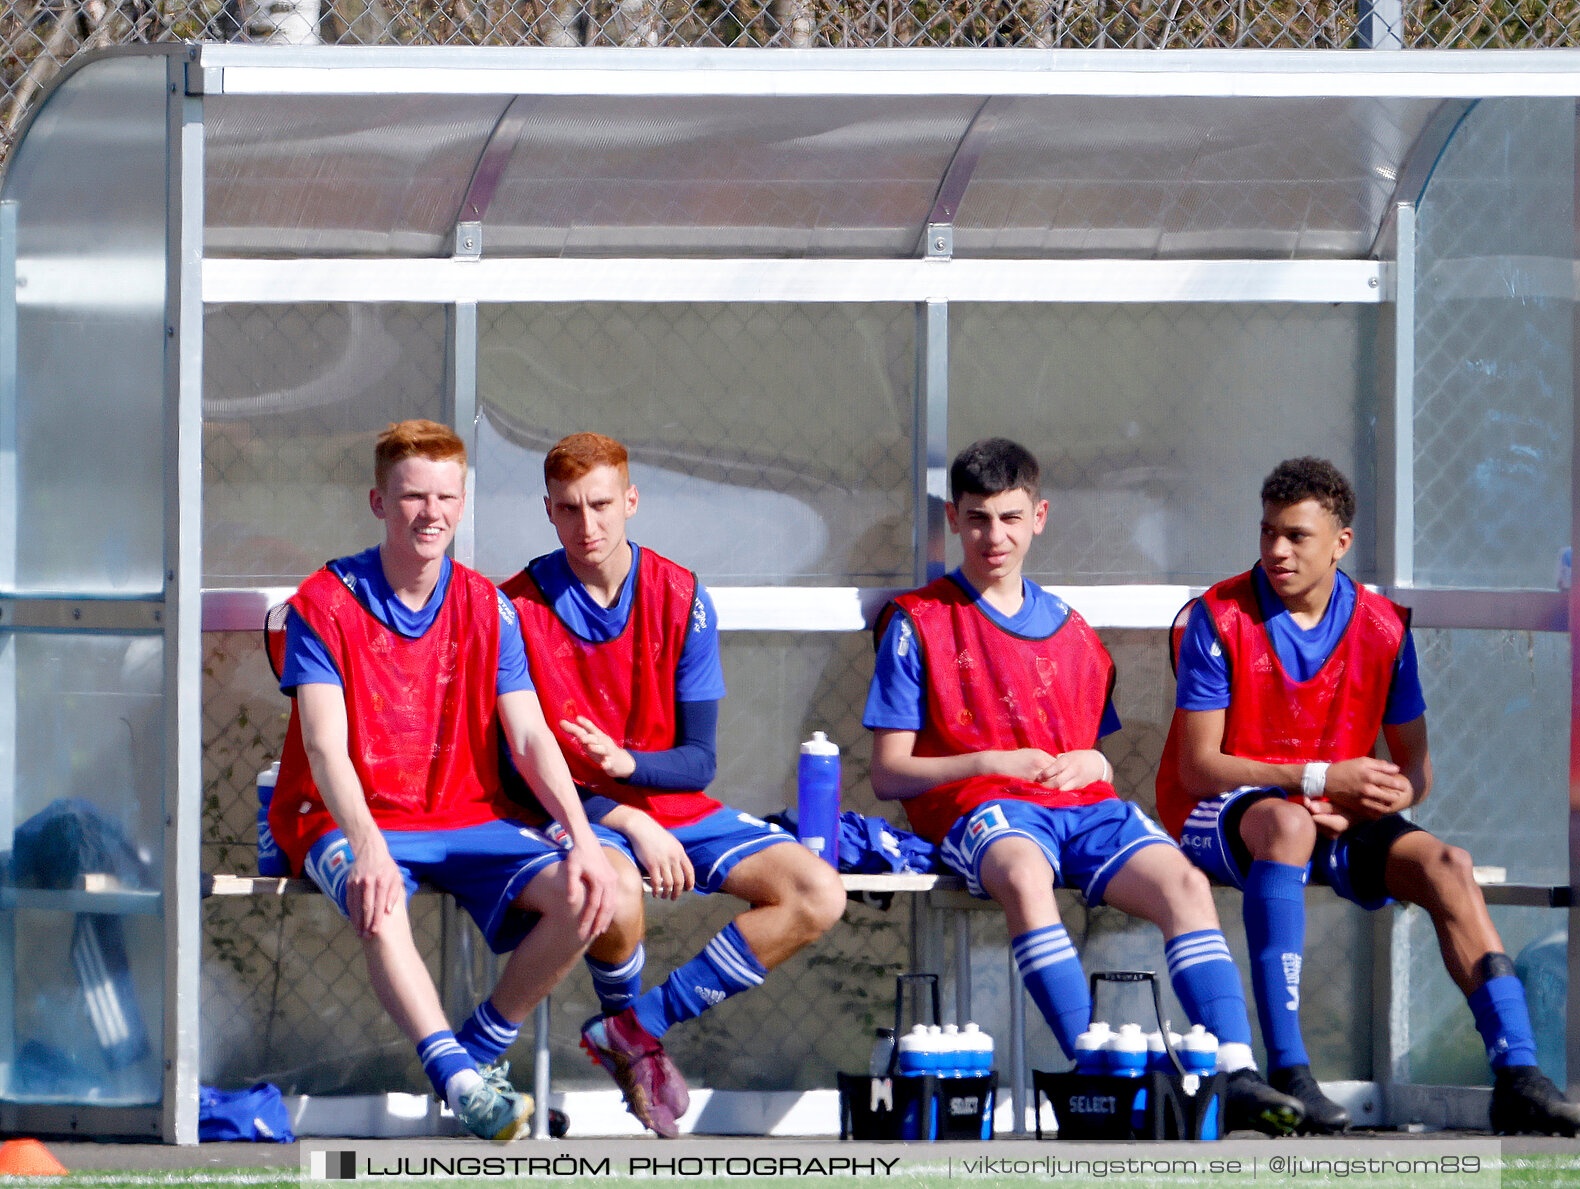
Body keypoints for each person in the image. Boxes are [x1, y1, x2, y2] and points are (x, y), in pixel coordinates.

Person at [863, 437, 1304, 1136]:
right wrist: (988, 763)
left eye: (1009, 517)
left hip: (1082, 808)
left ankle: (1236, 1068)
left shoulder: (1074, 631)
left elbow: (1089, 754)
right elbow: (889, 772)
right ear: (955, 520)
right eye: (977, 518)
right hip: (985, 807)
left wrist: (1097, 765)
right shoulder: (919, 623)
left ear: (1040, 515)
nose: (993, 535)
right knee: (1022, 872)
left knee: (1184, 885)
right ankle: (1097, 1068)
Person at [1155, 455, 1580, 1137]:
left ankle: (1518, 1074)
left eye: (1296, 535)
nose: (1276, 550)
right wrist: (1319, 779)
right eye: (1268, 531)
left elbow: (1417, 768)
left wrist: (1385, 796)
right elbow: (1197, 767)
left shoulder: (1384, 627)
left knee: (1447, 864)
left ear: (1341, 542)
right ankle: (1290, 1069)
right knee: (1287, 828)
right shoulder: (1218, 616)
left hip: (1333, 812)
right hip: (1226, 816)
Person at [265, 420, 623, 1143]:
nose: (430, 513)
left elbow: (529, 736)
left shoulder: (488, 605)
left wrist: (583, 837)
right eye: (411, 496)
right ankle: (457, 1078)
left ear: (463, 503)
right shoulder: (323, 604)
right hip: (337, 816)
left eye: (445, 496)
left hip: (460, 813)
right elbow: (325, 747)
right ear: (377, 501)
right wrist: (365, 843)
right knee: (380, 894)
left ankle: (480, 1048)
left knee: (593, 888)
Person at [501, 432, 846, 1139]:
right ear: (548, 511)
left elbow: (697, 761)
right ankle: (633, 1048)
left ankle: (634, 1028)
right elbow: (514, 768)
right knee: (614, 886)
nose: (586, 525)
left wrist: (630, 770)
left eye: (601, 504)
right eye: (568, 509)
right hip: (575, 812)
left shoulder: (682, 594)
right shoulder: (516, 604)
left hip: (673, 801)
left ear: (631, 501)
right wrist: (626, 818)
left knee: (819, 892)